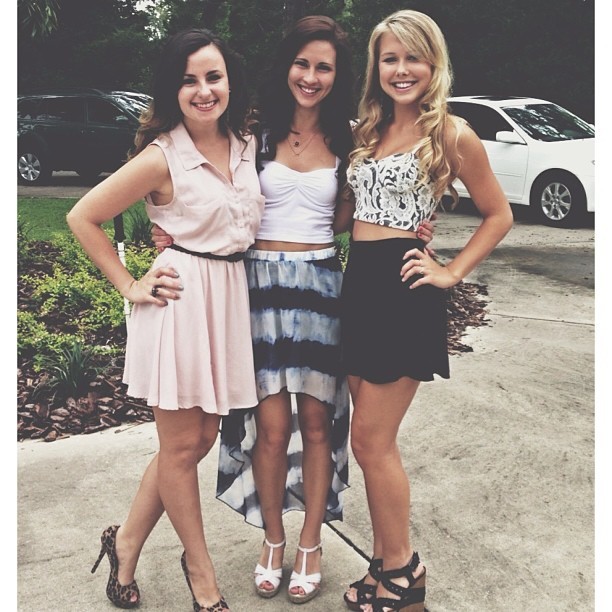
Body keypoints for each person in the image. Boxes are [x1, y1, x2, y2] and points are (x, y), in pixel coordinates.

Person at [151, 15, 436, 605]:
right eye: (302, 64)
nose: (311, 76)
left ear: (337, 76)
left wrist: (418, 230)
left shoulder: (354, 140)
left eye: (323, 67)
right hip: (258, 288)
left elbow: (366, 210)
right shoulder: (252, 135)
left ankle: (311, 543)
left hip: (323, 287)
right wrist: (171, 231)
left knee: (318, 425)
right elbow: (202, 184)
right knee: (272, 429)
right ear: (286, 68)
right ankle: (274, 541)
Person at [67, 27, 264, 612]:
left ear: (230, 81)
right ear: (172, 91)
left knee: (197, 440)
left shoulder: (248, 143)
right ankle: (200, 573)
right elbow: (82, 216)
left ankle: (126, 542)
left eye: (213, 76)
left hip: (227, 297)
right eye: (188, 80)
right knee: (181, 447)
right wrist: (130, 285)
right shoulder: (162, 156)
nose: (204, 90)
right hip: (180, 302)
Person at [339, 10, 513, 612]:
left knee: (372, 441)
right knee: (367, 444)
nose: (401, 69)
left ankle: (404, 573)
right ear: (377, 67)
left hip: (403, 290)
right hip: (359, 285)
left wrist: (450, 271)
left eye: (413, 57)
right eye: (390, 58)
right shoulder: (368, 128)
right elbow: (349, 214)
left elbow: (499, 214)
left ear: (434, 63)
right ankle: (385, 564)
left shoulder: (452, 134)